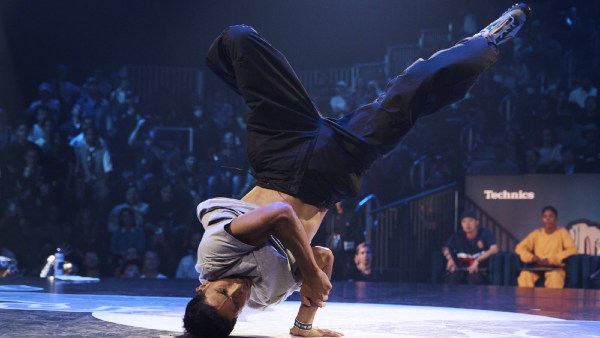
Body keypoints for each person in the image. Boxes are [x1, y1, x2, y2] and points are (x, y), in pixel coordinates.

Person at [184, 4, 531, 337]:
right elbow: (322, 256)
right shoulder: (265, 296)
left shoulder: (214, 255)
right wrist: (304, 324)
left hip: (281, 152)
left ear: (204, 285)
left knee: (239, 39)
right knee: (409, 94)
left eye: (223, 291)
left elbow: (280, 215)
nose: (237, 292)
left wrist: (309, 273)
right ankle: (485, 42)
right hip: (334, 167)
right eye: (237, 304)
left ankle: (245, 83)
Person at [515, 206, 578, 288]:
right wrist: (531, 257)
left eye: (551, 216)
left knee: (555, 278)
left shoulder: (562, 232)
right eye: (545, 217)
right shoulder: (536, 233)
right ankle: (526, 301)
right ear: (542, 219)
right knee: (524, 275)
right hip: (537, 267)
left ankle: (551, 301)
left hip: (554, 268)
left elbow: (572, 250)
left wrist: (551, 260)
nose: (548, 219)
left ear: (556, 219)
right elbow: (519, 248)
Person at [442, 210, 498, 285]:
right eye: (464, 221)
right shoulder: (458, 236)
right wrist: (450, 259)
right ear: (461, 224)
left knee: (474, 279)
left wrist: (477, 261)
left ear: (477, 222)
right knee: (453, 279)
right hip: (461, 270)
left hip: (479, 271)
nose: (467, 224)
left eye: (470, 220)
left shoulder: (485, 233)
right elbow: (445, 248)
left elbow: (494, 249)